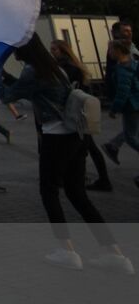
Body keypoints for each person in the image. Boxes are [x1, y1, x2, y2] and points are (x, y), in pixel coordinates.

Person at [0, 34, 131, 273]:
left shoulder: (33, 71)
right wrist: (7, 78)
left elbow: (10, 95)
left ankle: (67, 250)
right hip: (75, 137)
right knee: (77, 194)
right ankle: (115, 254)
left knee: (49, 191)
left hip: (56, 137)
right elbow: (27, 89)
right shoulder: (53, 68)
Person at [50, 38, 111, 191]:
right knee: (87, 146)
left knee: (83, 146)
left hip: (75, 112)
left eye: (54, 50)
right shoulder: (74, 66)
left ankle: (85, 179)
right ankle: (98, 178)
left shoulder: (67, 68)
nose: (52, 52)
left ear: (63, 51)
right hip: (81, 111)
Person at [104, 38, 139, 164]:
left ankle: (112, 146)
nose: (109, 53)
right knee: (132, 132)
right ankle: (112, 146)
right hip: (136, 103)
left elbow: (122, 93)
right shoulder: (133, 63)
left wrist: (114, 109)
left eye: (110, 50)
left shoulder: (123, 69)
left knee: (130, 137)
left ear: (118, 50)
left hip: (132, 106)